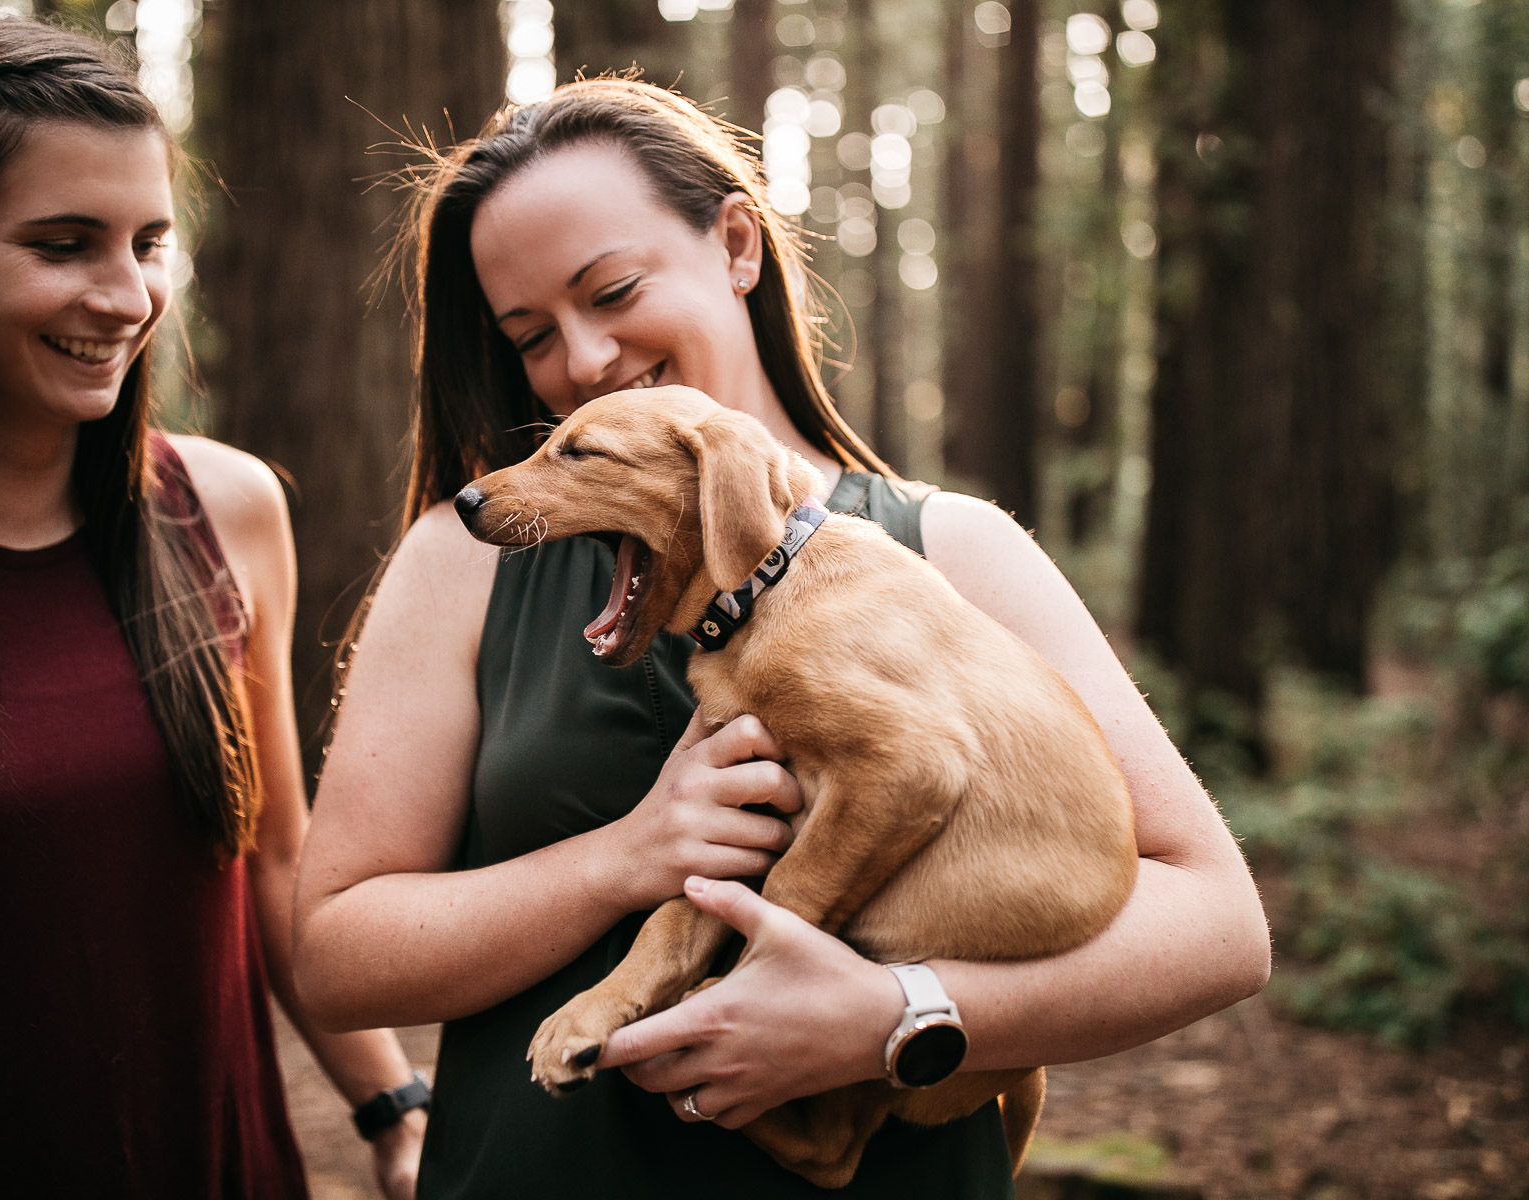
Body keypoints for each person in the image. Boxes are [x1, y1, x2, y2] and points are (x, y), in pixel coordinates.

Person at [292, 78, 1271, 1197]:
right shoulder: (463, 562)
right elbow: (334, 959)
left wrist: (899, 1018)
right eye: (530, 337)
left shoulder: (951, 548)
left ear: (738, 245)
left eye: (612, 290)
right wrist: (629, 857)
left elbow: (1220, 929)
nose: (586, 361)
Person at [0, 20, 424, 1198]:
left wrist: (394, 1107)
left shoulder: (228, 509)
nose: (127, 295)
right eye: (62, 244)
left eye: (151, 241)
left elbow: (274, 862)